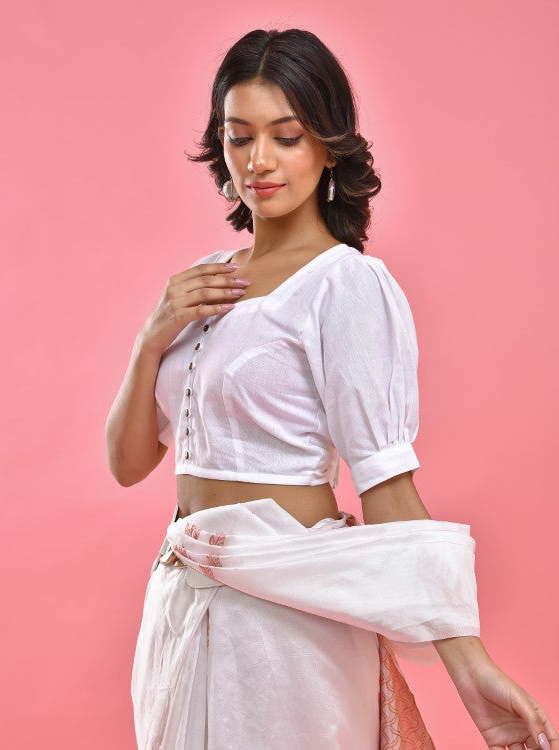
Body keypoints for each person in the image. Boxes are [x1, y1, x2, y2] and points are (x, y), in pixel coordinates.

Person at [105, 27, 557, 750]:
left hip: (286, 622)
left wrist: (469, 667)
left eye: (286, 137)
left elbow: (386, 483)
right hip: (180, 607)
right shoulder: (204, 281)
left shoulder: (345, 284)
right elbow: (129, 465)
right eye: (238, 136)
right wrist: (150, 337)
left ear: (328, 145)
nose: (258, 160)